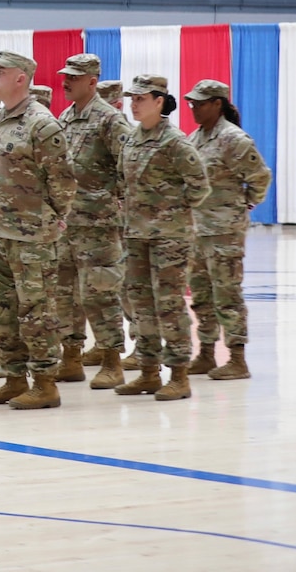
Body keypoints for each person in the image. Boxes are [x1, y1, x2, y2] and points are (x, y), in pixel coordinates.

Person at [0, 50, 76, 410]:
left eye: (1, 72)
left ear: (22, 78)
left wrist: (50, 218)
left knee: (37, 311)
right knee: (2, 311)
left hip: (31, 236)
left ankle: (46, 382)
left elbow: (62, 183)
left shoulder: (42, 124)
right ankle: (15, 378)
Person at [115, 75, 210, 401]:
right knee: (140, 306)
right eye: (132, 99)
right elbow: (121, 182)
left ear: (159, 101)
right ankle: (148, 372)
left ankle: (179, 375)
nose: (134, 104)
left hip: (169, 238)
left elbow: (199, 187)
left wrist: (170, 214)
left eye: (141, 99)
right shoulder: (131, 139)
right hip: (136, 235)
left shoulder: (176, 142)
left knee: (169, 306)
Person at [184, 80, 271, 381]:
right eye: (191, 102)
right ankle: (206, 354)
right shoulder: (195, 138)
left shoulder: (234, 139)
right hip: (198, 230)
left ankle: (237, 358)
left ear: (217, 104)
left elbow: (260, 177)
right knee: (202, 295)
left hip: (224, 232)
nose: (193, 107)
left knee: (227, 294)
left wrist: (244, 204)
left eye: (199, 102)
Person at [55, 54, 130, 389]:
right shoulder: (65, 117)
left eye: (74, 76)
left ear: (92, 81)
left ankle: (111, 358)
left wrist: (115, 202)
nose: (66, 81)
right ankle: (70, 356)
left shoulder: (109, 120)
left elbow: (130, 166)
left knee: (99, 293)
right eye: (65, 75)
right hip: (67, 223)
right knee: (64, 293)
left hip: (98, 224)